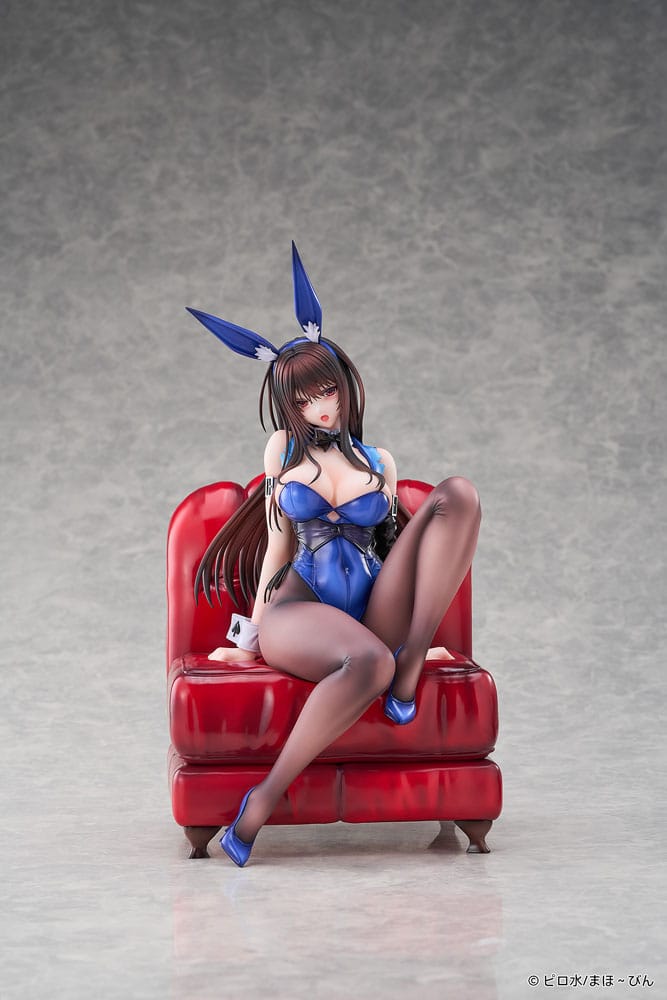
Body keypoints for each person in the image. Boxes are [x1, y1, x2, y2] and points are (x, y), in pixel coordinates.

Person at [187, 244, 481, 866]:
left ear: (344, 382)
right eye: (303, 400)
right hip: (300, 608)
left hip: (375, 606)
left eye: (326, 389)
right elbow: (277, 542)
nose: (320, 406)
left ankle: (407, 659)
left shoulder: (379, 462)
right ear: (287, 407)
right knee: (367, 660)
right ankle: (262, 801)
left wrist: (423, 637)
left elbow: (397, 545)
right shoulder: (283, 452)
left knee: (459, 494)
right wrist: (248, 640)